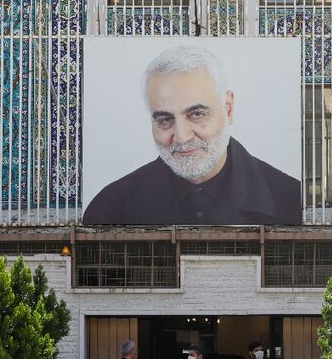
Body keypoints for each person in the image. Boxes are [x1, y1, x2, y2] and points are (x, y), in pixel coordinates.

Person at [83, 45, 301, 225]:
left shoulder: (290, 202)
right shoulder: (110, 210)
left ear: (228, 109)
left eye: (196, 114)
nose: (182, 136)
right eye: (165, 119)